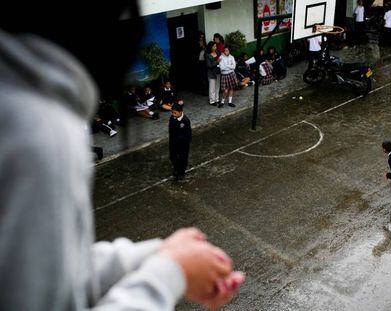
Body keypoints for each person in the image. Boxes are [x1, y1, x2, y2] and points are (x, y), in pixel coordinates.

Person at [0, 1, 245, 310]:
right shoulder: (35, 129)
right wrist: (171, 271)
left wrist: (157, 254)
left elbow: (52, 274)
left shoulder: (27, 105)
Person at [169, 103, 192, 180]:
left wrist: (185, 143)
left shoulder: (185, 121)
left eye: (175, 113)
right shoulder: (172, 118)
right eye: (172, 112)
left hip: (183, 144)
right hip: (173, 142)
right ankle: (176, 169)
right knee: (173, 157)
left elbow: (188, 133)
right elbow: (170, 130)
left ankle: (181, 172)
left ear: (180, 111)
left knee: (183, 158)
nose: (173, 114)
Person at [205, 41, 221, 106]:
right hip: (211, 74)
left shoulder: (217, 52)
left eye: (215, 46)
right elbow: (209, 65)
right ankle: (212, 101)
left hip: (218, 72)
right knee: (212, 88)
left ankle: (217, 99)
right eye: (214, 46)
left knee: (217, 86)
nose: (215, 47)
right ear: (210, 47)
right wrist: (217, 62)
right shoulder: (208, 55)